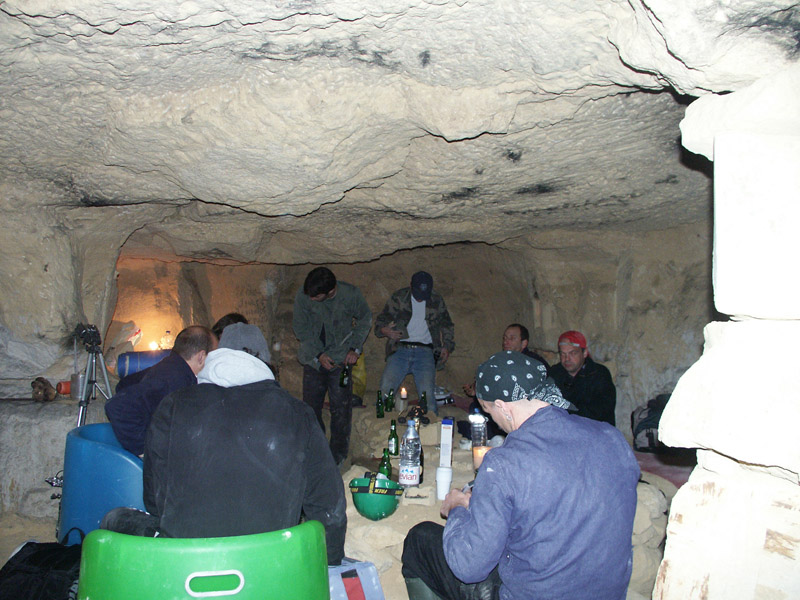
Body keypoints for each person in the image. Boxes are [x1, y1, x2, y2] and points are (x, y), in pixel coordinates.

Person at [402, 351, 639, 600]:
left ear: (503, 406)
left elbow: (469, 567)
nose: (492, 419)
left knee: (420, 539)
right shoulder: (612, 438)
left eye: (488, 410)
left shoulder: (504, 463)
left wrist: (458, 509)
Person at [102, 345, 347, 565]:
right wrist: (329, 565)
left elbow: (154, 501)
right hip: (269, 564)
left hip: (186, 562)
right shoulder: (298, 413)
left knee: (115, 519)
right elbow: (328, 506)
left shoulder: (173, 405)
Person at [292, 266, 372, 465]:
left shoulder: (350, 295)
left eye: (316, 297)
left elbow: (365, 318)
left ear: (330, 291)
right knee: (310, 409)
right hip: (313, 359)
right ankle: (316, 451)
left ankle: (338, 456)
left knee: (341, 409)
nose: (311, 299)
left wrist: (354, 348)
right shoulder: (304, 296)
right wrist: (318, 355)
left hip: (340, 360)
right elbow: (300, 328)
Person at [105, 326, 216, 456]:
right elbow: (117, 406)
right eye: (214, 356)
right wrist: (147, 452)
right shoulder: (175, 378)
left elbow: (124, 384)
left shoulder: (171, 366)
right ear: (201, 357)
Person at [374, 271, 454, 416]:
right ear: (411, 286)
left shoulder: (436, 300)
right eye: (417, 293)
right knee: (386, 389)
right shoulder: (399, 297)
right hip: (400, 349)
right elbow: (381, 321)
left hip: (425, 351)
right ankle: (380, 424)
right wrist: (385, 331)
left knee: (428, 396)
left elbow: (447, 324)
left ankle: (430, 425)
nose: (420, 298)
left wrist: (447, 346)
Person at [462, 323, 549, 398]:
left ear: (524, 343)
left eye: (512, 338)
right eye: (504, 338)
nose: (505, 342)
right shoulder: (500, 361)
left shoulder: (533, 363)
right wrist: (477, 390)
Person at [549, 330, 617, 425]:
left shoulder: (599, 375)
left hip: (594, 429)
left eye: (572, 353)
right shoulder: (555, 373)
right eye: (563, 354)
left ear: (584, 353)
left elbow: (600, 411)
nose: (567, 359)